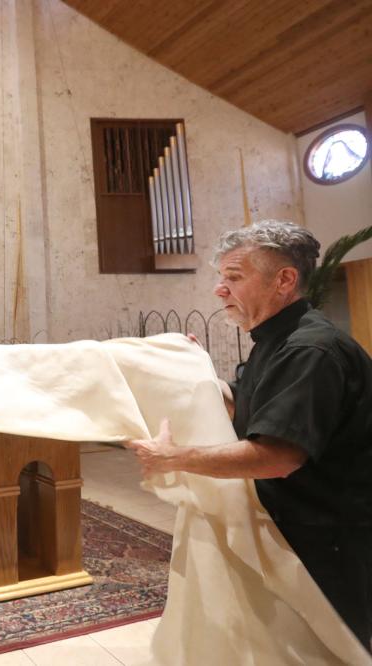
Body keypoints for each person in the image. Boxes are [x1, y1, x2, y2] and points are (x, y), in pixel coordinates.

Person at [125, 219, 372, 652]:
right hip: (295, 522)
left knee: (331, 647)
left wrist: (173, 458)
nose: (220, 290)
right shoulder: (274, 341)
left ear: (285, 280)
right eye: (221, 278)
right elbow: (245, 402)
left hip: (327, 532)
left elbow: (275, 456)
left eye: (234, 278)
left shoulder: (309, 350)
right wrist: (191, 370)